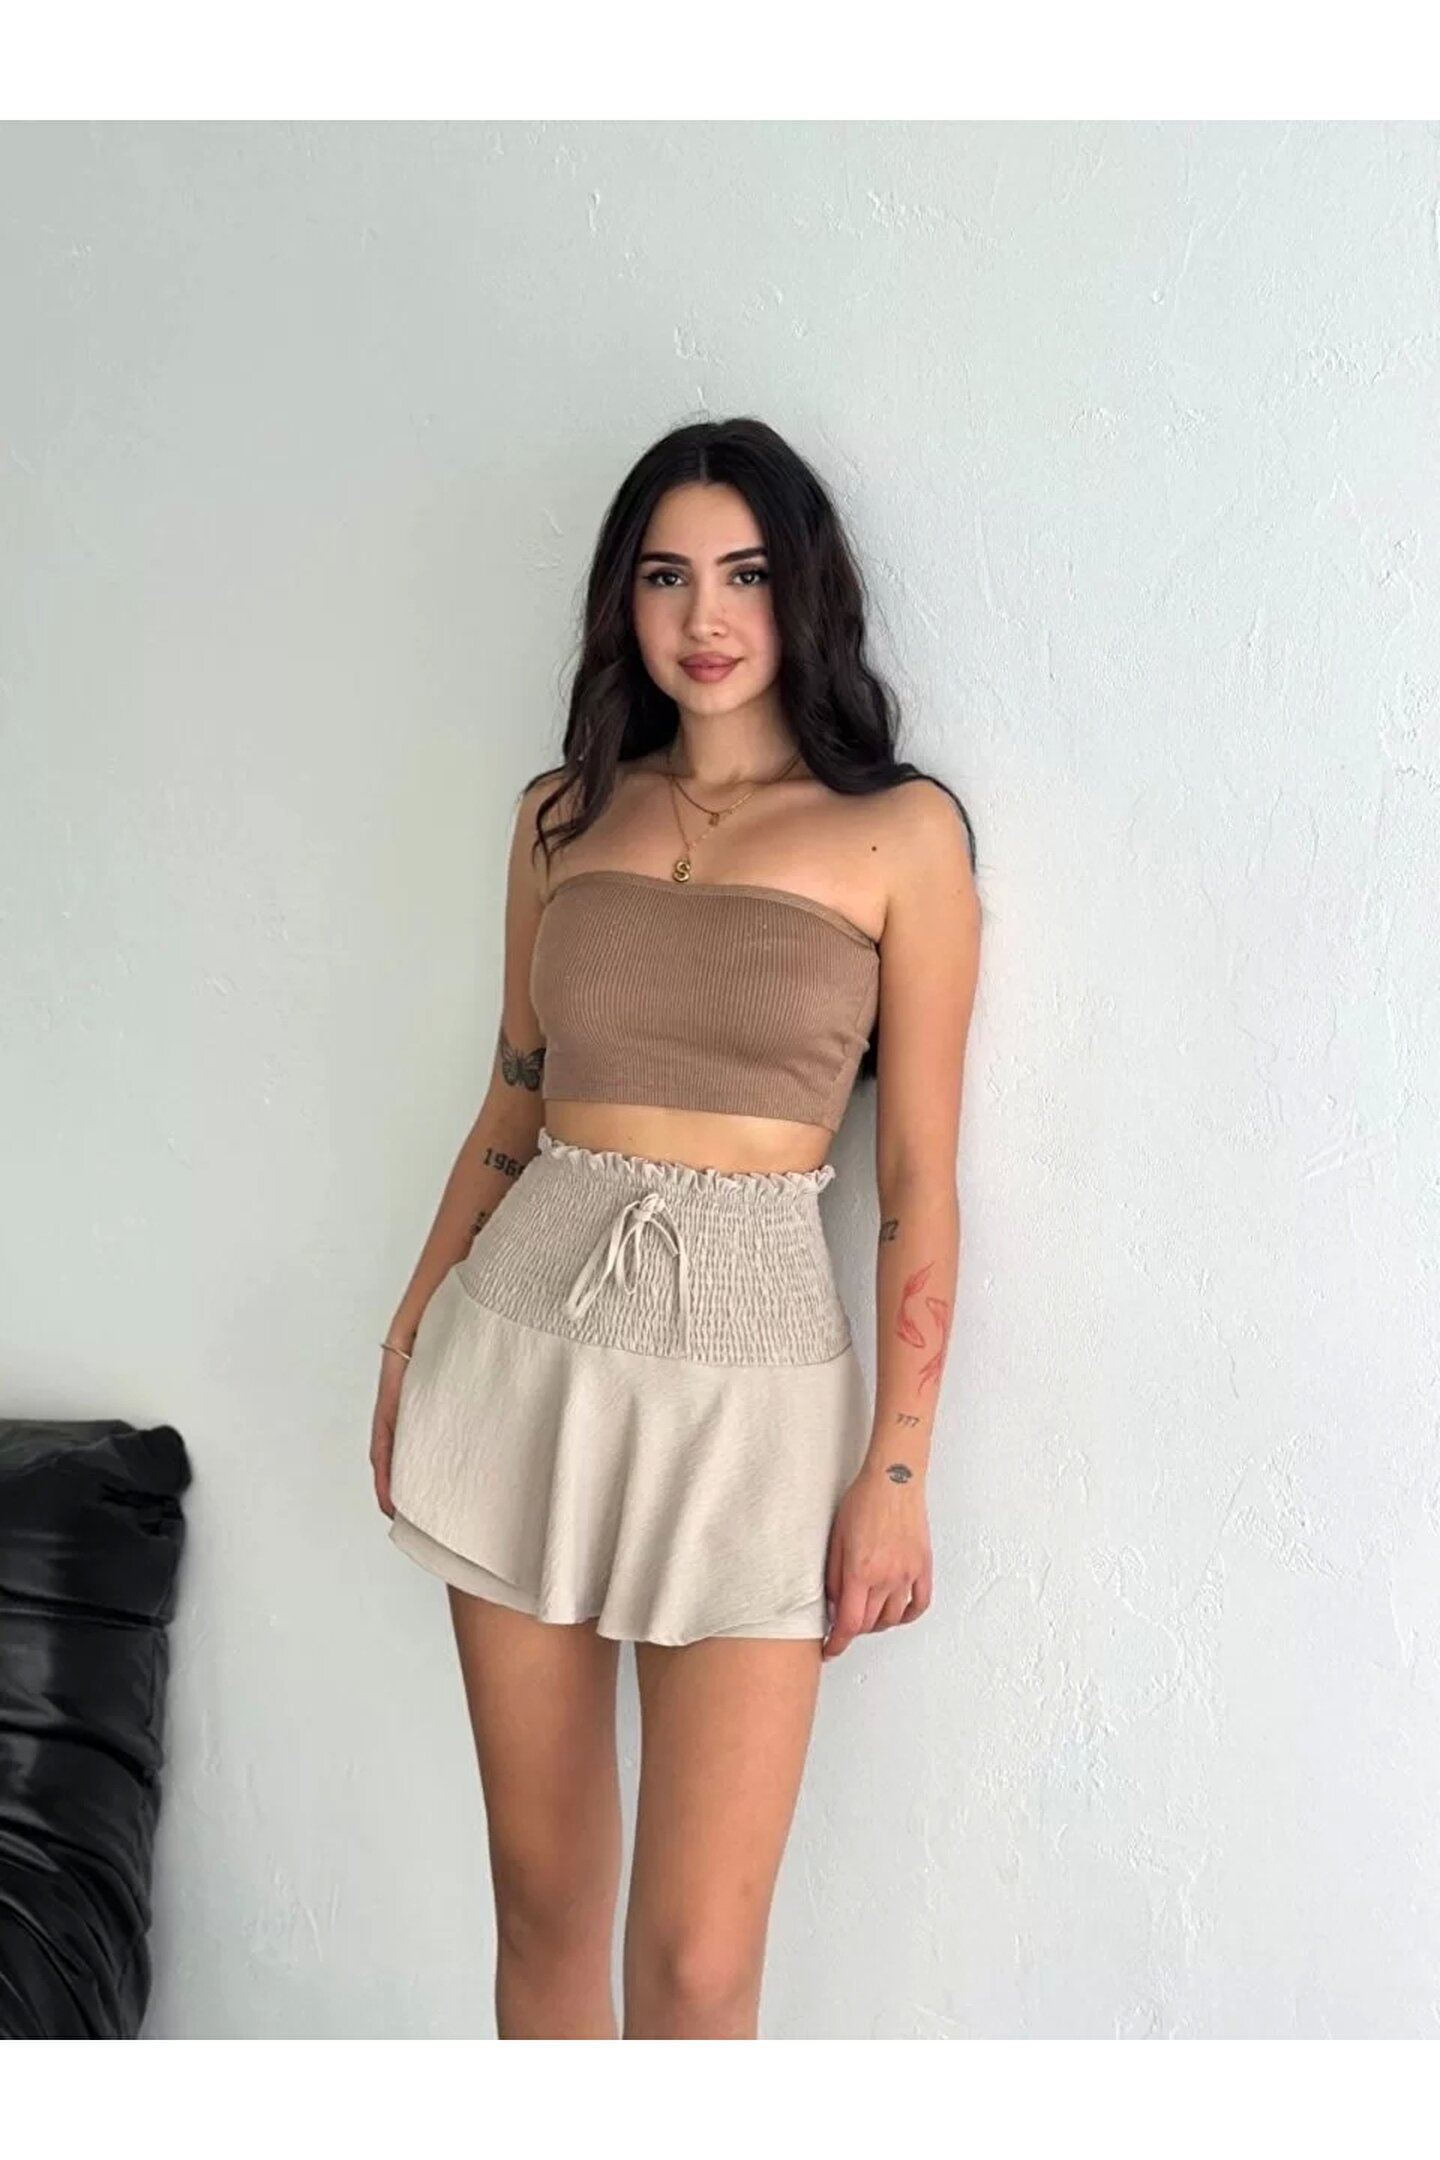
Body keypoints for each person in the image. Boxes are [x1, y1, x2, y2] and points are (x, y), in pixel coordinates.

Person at [370, 415, 981, 2040]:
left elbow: (920, 1182)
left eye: (746, 574)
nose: (705, 616)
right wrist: (410, 1339)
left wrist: (899, 1471)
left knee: (704, 1960)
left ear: (804, 595)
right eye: (665, 577)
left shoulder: (902, 834)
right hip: (519, 1359)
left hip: (752, 1404)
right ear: (622, 603)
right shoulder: (560, 817)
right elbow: (511, 1103)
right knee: (542, 1902)